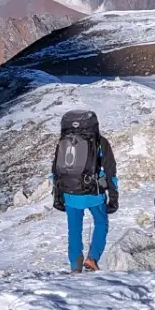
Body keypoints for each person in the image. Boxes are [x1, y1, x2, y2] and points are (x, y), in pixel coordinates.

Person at [51, 109, 118, 273]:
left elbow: (56, 171)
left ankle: (75, 265)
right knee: (101, 223)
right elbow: (111, 171)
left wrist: (57, 196)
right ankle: (92, 258)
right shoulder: (101, 142)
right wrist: (113, 196)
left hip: (70, 194)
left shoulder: (64, 142)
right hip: (93, 193)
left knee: (74, 230)